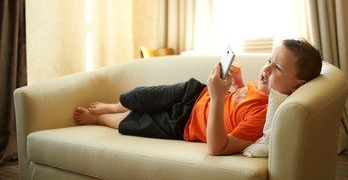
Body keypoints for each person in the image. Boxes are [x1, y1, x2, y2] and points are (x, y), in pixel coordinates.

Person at [74, 39, 322, 156]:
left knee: (132, 121)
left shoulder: (263, 115)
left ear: (296, 86)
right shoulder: (260, 86)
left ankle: (99, 119)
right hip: (193, 93)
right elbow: (236, 100)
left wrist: (217, 97)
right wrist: (235, 82)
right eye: (269, 60)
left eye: (277, 68)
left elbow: (217, 147)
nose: (266, 69)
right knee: (140, 95)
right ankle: (112, 104)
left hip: (184, 125)